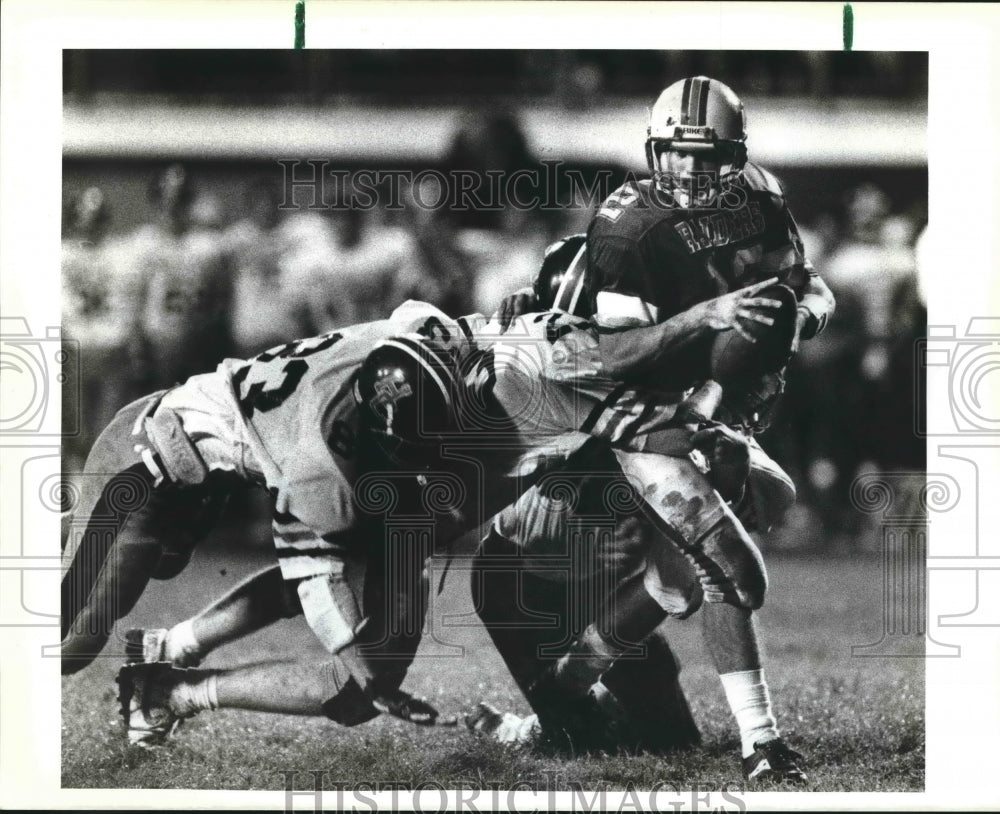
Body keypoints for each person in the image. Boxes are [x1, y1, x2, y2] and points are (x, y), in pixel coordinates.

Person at [65, 293, 771, 747]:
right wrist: (376, 676)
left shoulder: (433, 352)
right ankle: (166, 647)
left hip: (248, 456)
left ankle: (169, 682)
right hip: (152, 457)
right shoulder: (322, 472)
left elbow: (460, 329)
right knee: (71, 639)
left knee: (350, 696)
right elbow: (315, 587)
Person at [489, 77, 836, 783]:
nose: (691, 169)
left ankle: (563, 686)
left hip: (699, 405)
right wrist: (711, 324)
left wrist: (785, 329)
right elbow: (610, 361)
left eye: (708, 155)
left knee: (765, 500)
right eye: (676, 153)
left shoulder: (760, 197)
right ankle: (761, 743)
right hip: (639, 417)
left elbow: (811, 288)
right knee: (729, 564)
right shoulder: (623, 236)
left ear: (737, 153)